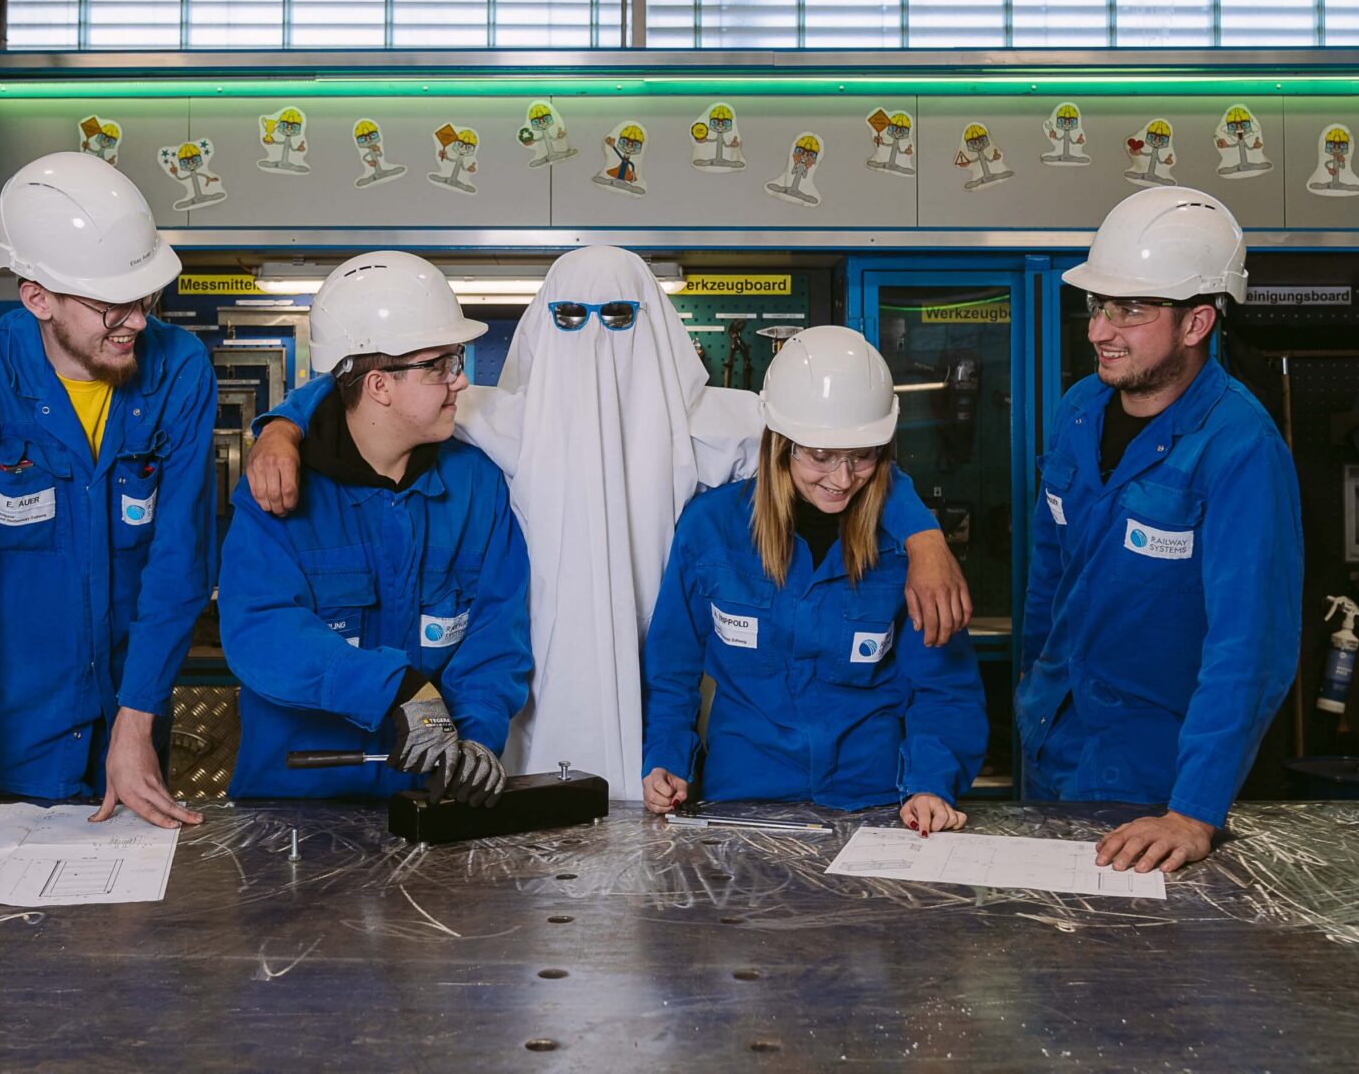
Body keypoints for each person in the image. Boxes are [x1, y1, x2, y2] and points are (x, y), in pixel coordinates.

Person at [245, 246, 971, 796]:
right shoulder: (494, 417)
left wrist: (920, 532)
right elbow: (362, 391)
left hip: (656, 704)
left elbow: (832, 443)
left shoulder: (707, 426)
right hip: (527, 716)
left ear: (652, 324)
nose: (595, 341)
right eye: (569, 319)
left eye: (619, 319)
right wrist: (283, 425)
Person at [0, 152, 215, 881]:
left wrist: (138, 716)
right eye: (110, 305)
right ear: (37, 298)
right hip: (13, 730)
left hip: (134, 723)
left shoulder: (179, 369)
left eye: (147, 297)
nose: (136, 323)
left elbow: (179, 560)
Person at [1021, 186, 1302, 874]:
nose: (1098, 330)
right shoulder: (1079, 411)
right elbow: (1048, 576)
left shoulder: (1239, 448)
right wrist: (1032, 694)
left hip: (1157, 785)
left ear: (1197, 322)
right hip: (1053, 745)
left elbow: (1250, 645)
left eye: (1131, 309)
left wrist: (1194, 811)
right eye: (1097, 305)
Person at [640, 327, 987, 824]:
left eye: (862, 455)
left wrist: (930, 785)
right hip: (743, 801)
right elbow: (672, 670)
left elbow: (942, 688)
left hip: (878, 801)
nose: (842, 479)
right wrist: (667, 760)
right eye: (820, 456)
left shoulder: (902, 549)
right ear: (780, 445)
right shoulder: (710, 531)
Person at [219, 252, 530, 804]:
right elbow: (260, 629)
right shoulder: (279, 486)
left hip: (426, 801)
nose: (459, 381)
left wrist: (477, 737)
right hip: (299, 805)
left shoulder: (477, 487)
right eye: (440, 365)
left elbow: (495, 633)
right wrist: (395, 688)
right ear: (380, 385)